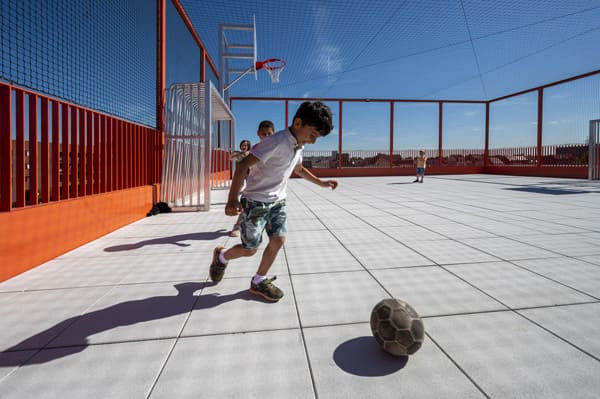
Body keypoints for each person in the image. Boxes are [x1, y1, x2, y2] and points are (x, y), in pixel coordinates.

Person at [209, 102, 338, 301]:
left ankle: (259, 281)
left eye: (317, 138)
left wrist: (321, 183)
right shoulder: (277, 141)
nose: (312, 141)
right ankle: (221, 257)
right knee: (249, 249)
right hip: (255, 202)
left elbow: (299, 169)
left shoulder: (298, 145)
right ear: (298, 123)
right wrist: (232, 199)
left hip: (278, 202)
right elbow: (243, 165)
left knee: (278, 240)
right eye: (312, 134)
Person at [229, 120, 275, 237]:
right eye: (263, 134)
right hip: (253, 187)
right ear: (258, 133)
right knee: (245, 207)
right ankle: (238, 226)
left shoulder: (275, 148)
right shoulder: (256, 148)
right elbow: (247, 155)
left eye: (269, 134)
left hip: (269, 189)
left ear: (273, 133)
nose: (266, 136)